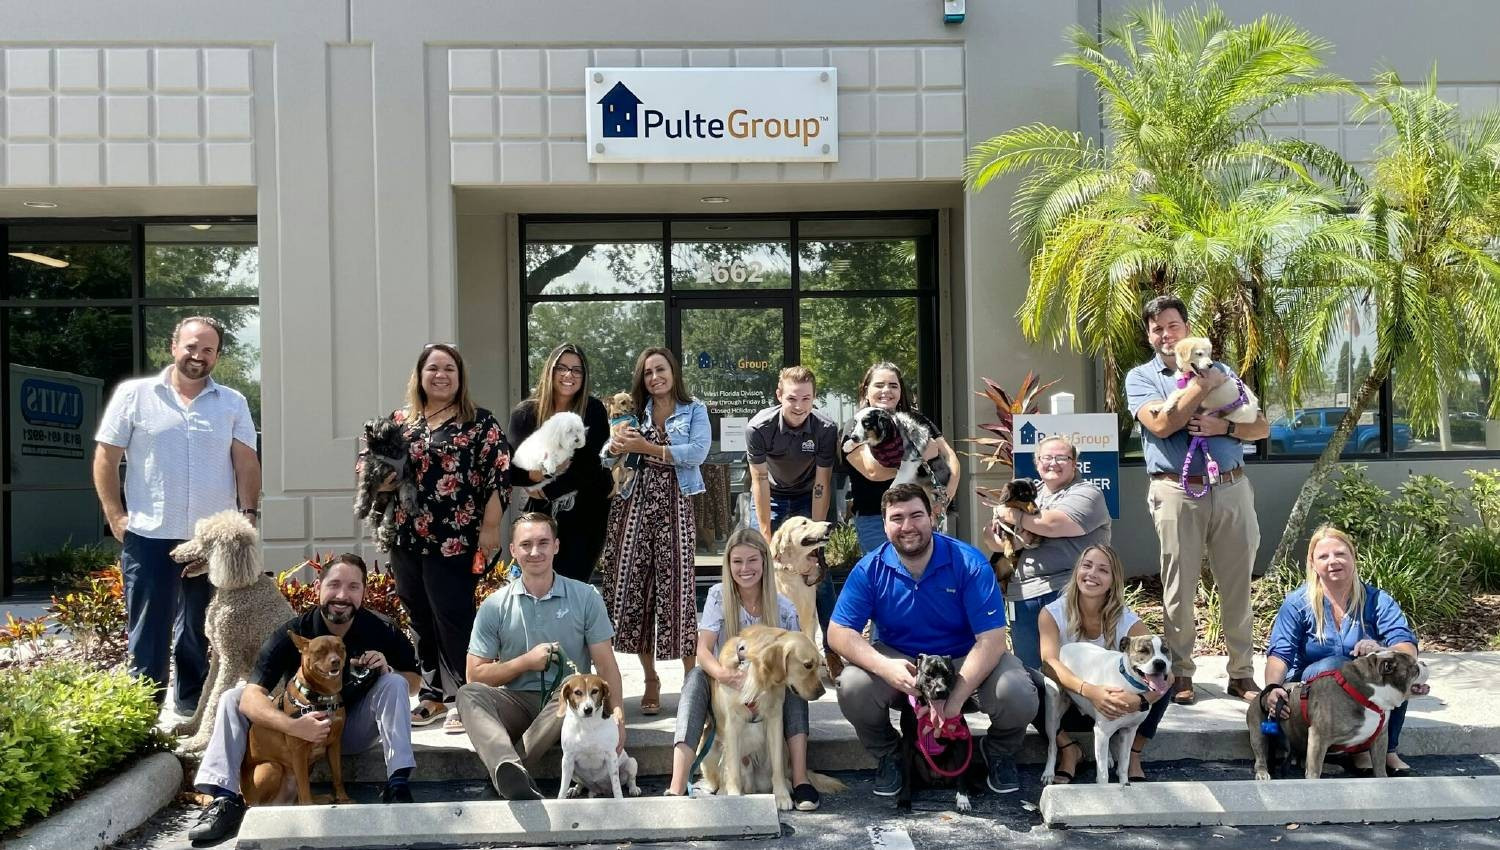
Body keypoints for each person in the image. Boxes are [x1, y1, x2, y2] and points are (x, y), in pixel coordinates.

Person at [186, 554, 421, 843]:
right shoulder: (293, 633)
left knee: (395, 682)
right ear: (319, 586)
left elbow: (413, 684)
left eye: (353, 587)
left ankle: (398, 785)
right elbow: (251, 698)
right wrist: (293, 727)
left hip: (352, 729)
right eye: (334, 585)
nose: (342, 595)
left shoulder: (381, 629)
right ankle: (223, 799)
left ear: (364, 592)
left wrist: (387, 667)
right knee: (233, 698)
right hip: (300, 728)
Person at [92, 315, 261, 714]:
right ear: (173, 347)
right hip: (151, 534)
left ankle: (190, 707)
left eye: (208, 349)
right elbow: (105, 457)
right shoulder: (135, 396)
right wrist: (115, 515)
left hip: (210, 542)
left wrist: (248, 514)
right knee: (148, 630)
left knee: (200, 629)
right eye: (191, 347)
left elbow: (246, 462)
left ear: (217, 355)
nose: (197, 356)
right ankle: (142, 714)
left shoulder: (232, 402)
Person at [828, 482, 1039, 799]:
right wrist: (885, 668)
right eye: (897, 518)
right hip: (902, 662)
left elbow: (992, 640)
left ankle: (997, 752)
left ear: (933, 517)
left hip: (962, 661)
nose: (907, 526)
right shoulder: (869, 569)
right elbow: (838, 633)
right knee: (853, 685)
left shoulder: (969, 563)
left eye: (916, 515)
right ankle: (891, 754)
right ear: (884, 525)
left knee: (1018, 692)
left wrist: (954, 701)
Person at [1125, 295, 1267, 705]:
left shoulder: (1223, 370)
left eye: (1173, 325)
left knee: (1238, 584)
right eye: (1157, 329)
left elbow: (1258, 427)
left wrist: (1222, 426)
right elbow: (1164, 423)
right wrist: (1200, 383)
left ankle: (1241, 674)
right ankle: (1181, 673)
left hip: (1231, 485)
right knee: (1178, 588)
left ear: (1186, 328)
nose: (1166, 335)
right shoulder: (1142, 378)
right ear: (1149, 336)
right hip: (1175, 488)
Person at [369, 342, 510, 733]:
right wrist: (379, 477)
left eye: (449, 368)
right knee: (418, 615)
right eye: (433, 368)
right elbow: (370, 469)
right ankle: (431, 693)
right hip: (405, 538)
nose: (441, 375)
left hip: (456, 538)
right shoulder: (399, 422)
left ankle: (463, 697)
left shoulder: (480, 422)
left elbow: (499, 476)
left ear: (460, 377)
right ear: (420, 375)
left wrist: (491, 528)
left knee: (453, 615)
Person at [458, 512, 625, 799]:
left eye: (543, 543)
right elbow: (475, 674)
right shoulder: (495, 605)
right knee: (468, 694)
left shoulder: (585, 597)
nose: (535, 552)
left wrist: (619, 719)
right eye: (525, 545)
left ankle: (511, 775)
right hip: (515, 702)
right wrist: (526, 662)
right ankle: (508, 767)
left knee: (571, 683)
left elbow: (606, 664)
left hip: (565, 705)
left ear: (556, 546)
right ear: (512, 550)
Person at [664, 528, 820, 810]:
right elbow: (703, 650)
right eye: (737, 561)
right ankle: (677, 786)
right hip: (727, 689)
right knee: (696, 677)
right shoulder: (717, 596)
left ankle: (800, 780)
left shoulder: (783, 606)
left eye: (752, 560)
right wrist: (724, 674)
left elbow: (797, 653)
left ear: (764, 562)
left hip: (768, 691)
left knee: (796, 681)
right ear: (728, 565)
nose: (745, 569)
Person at [600, 346, 710, 715]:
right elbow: (607, 457)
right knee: (637, 591)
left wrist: (645, 446)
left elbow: (696, 453)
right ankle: (650, 679)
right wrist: (614, 445)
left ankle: (693, 682)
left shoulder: (694, 411)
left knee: (677, 590)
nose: (654, 377)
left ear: (673, 372)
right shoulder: (632, 412)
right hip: (633, 504)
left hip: (676, 502)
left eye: (660, 370)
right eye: (647, 373)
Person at [1261, 526, 1421, 777]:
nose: (1333, 561)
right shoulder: (1297, 602)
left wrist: (1382, 651)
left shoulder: (1377, 599)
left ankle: (1387, 749)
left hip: (1360, 687)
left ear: (1353, 557)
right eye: (1323, 556)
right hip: (1313, 687)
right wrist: (1272, 689)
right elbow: (1280, 654)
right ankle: (1355, 749)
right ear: (1313, 564)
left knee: (1396, 671)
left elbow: (1406, 648)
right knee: (1335, 667)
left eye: (1340, 554)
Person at [1036, 545, 1170, 784]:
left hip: (1117, 706)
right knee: (1031, 687)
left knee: (1161, 683)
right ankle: (1067, 748)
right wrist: (1091, 692)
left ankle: (1133, 753)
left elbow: (1166, 672)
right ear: (1077, 570)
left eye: (1103, 570)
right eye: (1086, 565)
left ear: (1113, 580)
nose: (1092, 574)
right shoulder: (1052, 613)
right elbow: (1050, 664)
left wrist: (1139, 701)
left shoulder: (1127, 620)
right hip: (1075, 699)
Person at [981, 435, 1110, 670]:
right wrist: (1018, 541)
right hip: (1023, 595)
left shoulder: (1086, 492)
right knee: (1031, 673)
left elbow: (1052, 525)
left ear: (1074, 463)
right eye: (1046, 457)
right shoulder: (1029, 490)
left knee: (1075, 669)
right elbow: (991, 538)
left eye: (1062, 457)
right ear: (1037, 462)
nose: (1053, 463)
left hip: (1067, 592)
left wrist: (1013, 516)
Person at [747, 366, 841, 671]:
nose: (799, 406)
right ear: (779, 396)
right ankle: (762, 649)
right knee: (760, 572)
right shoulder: (759, 428)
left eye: (806, 398)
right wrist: (765, 533)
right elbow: (759, 479)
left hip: (807, 495)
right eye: (792, 399)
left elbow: (822, 483)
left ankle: (832, 649)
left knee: (817, 574)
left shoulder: (825, 429)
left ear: (814, 398)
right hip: (770, 495)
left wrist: (814, 542)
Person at [508, 343, 612, 583]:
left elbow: (592, 466)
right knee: (537, 583)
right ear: (550, 371)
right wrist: (536, 476)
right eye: (562, 368)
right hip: (541, 514)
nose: (569, 375)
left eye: (577, 370)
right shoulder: (526, 413)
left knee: (573, 586)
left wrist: (546, 487)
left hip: (586, 514)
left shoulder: (593, 410)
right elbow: (513, 470)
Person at [840, 362, 961, 554]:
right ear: (866, 390)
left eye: (893, 385)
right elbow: (873, 471)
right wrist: (918, 457)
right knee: (886, 579)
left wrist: (945, 497)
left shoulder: (917, 421)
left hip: (923, 514)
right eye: (879, 385)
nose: (886, 390)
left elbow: (948, 455)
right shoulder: (856, 426)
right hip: (876, 520)